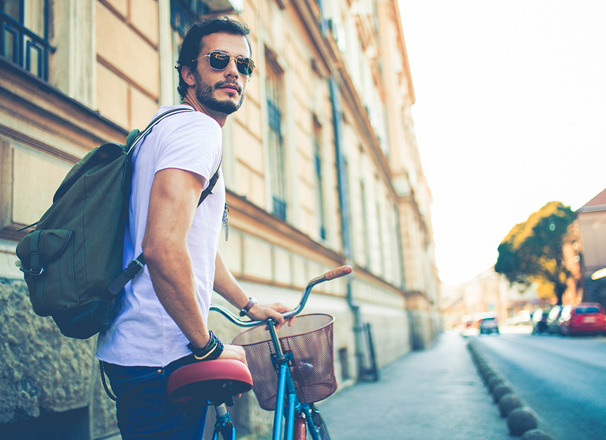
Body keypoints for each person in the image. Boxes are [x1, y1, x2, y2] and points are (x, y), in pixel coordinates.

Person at [96, 16, 291, 439]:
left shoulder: (162, 127)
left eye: (244, 66)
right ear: (188, 73)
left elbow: (189, 241)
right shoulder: (198, 131)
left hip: (138, 351)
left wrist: (248, 304)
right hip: (163, 354)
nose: (233, 73)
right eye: (219, 60)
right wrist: (206, 346)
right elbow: (162, 247)